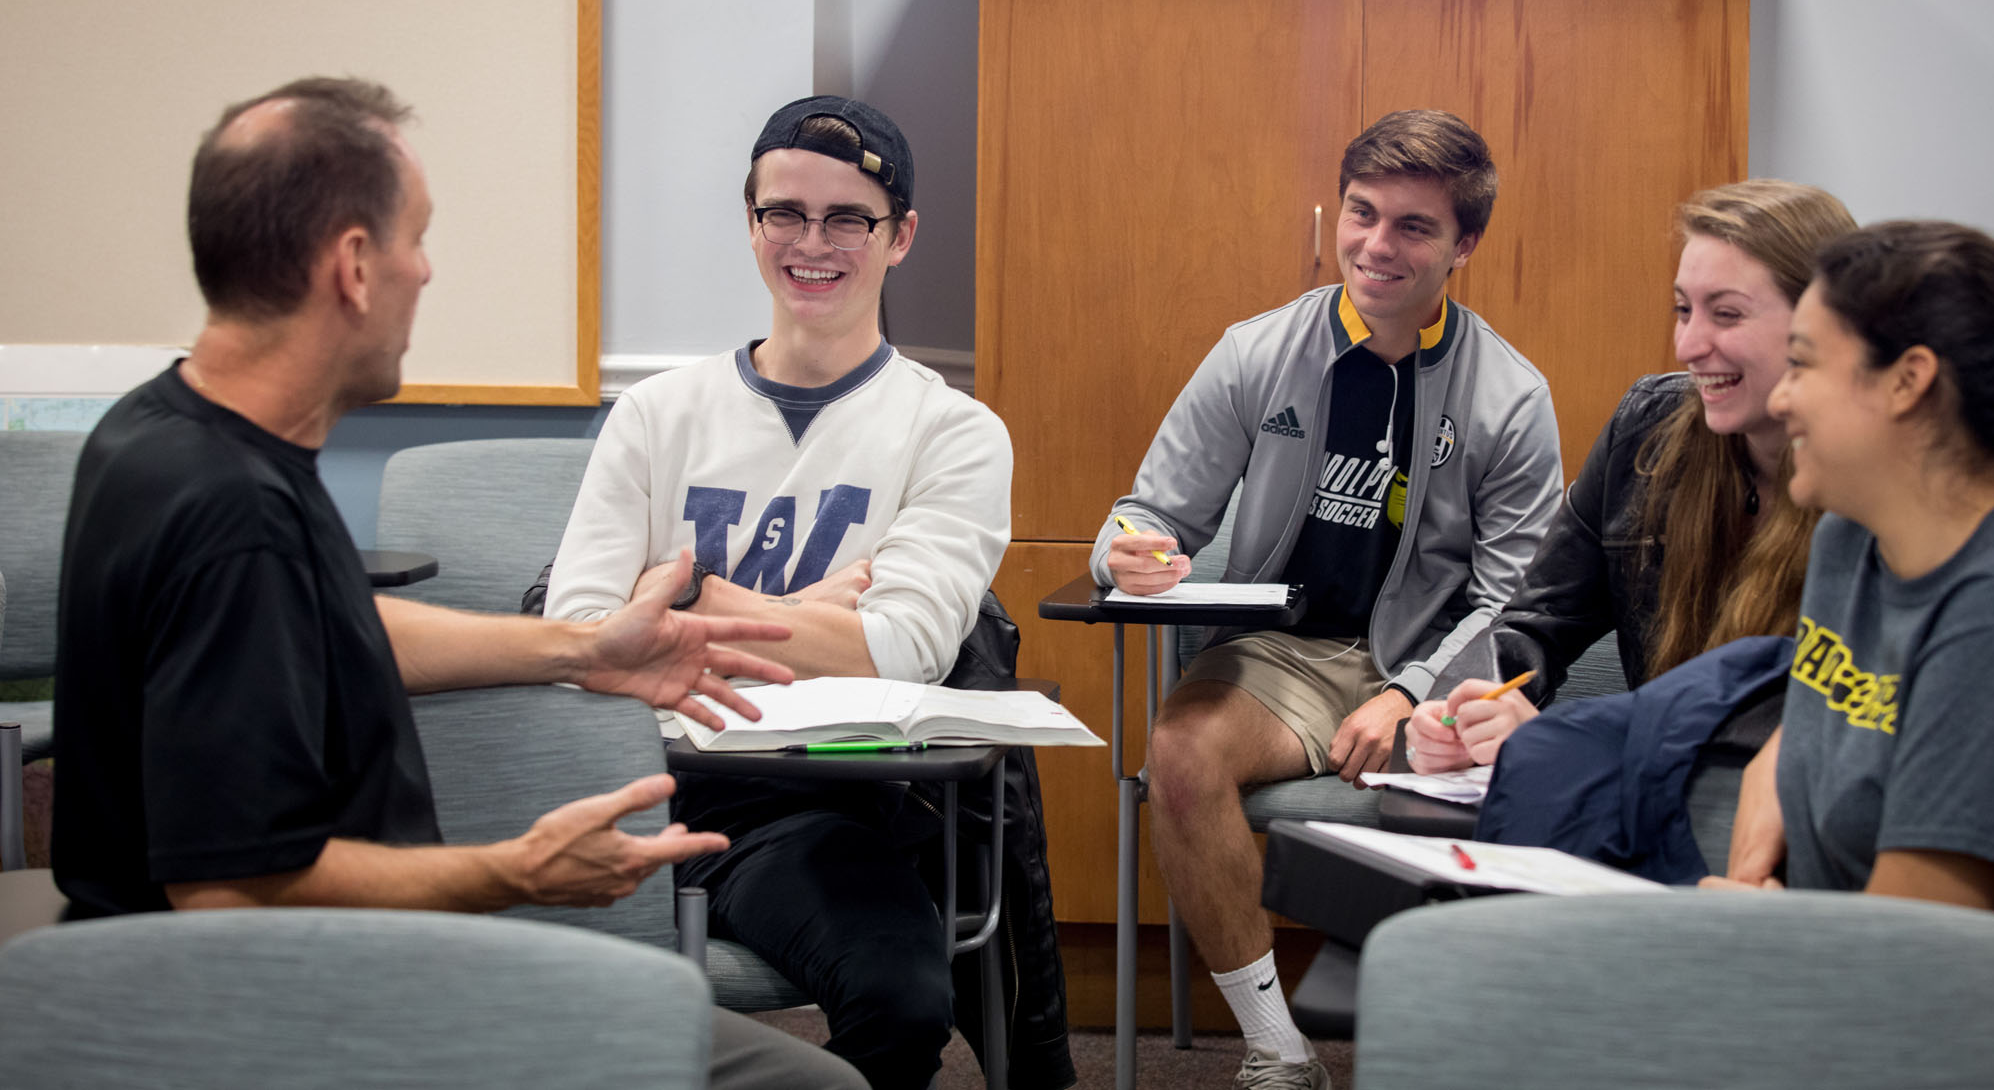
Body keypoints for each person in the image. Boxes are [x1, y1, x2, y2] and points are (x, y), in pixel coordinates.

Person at [51, 77, 868, 1090]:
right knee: (810, 1085)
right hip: (278, 1009)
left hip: (241, 976)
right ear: (353, 267)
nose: (426, 273)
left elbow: (314, 628)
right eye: (416, 241)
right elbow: (227, 894)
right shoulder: (233, 514)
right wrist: (518, 873)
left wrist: (582, 645)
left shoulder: (162, 428)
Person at [546, 96, 1067, 1090]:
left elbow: (897, 648)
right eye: (783, 213)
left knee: (906, 1005)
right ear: (751, 224)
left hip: (819, 806)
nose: (811, 244)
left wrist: (685, 598)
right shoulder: (657, 416)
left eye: (848, 219)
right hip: (638, 782)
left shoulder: (951, 434)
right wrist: (815, 610)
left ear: (900, 235)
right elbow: (579, 635)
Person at [1096, 109, 1562, 1088]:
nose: (1376, 246)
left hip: (1435, 666)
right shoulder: (1256, 353)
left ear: (1463, 245)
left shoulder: (1511, 398)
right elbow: (1151, 512)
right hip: (1282, 654)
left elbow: (1515, 599)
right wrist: (1126, 554)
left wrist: (1412, 693)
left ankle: (1469, 1050)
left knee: (1522, 780)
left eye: (1413, 227)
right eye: (1363, 214)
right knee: (1180, 753)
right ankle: (1278, 1052)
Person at [1706, 220, 1994, 953]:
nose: (1783, 399)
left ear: (1908, 380)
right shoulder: (1849, 534)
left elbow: (1911, 961)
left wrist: (1752, 938)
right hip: (1837, 976)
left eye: (1803, 364)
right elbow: (1813, 729)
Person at [1406, 181, 1857, 772]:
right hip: (1651, 792)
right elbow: (1536, 622)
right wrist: (1459, 708)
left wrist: (1568, 739)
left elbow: (1799, 723)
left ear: (1820, 324)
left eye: (1727, 314)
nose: (1689, 345)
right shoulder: (1646, 430)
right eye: (1683, 310)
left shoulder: (1873, 484)